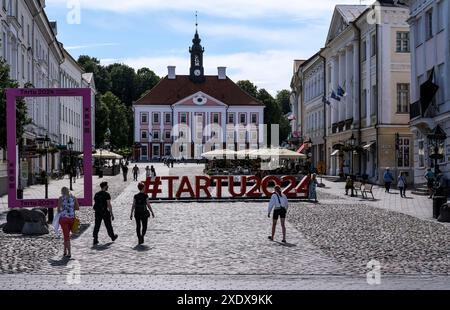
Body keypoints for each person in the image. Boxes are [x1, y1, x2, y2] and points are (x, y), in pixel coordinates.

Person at [57, 187, 79, 258]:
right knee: (66, 235)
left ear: (62, 192)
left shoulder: (61, 198)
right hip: (71, 219)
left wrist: (64, 208)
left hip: (64, 219)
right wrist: (71, 208)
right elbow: (77, 208)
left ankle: (69, 252)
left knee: (66, 236)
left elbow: (58, 210)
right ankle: (64, 251)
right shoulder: (74, 198)